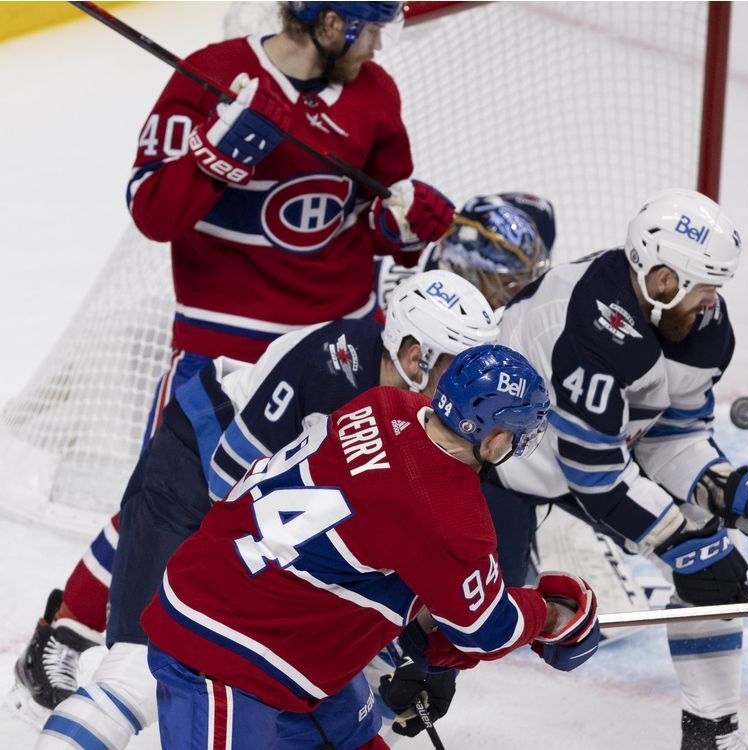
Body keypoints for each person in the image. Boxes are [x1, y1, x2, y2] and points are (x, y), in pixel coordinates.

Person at [14, 1, 457, 714]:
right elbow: (153, 211)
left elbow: (370, 216)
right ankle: (66, 627)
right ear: (329, 20)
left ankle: (327, 658)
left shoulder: (375, 95)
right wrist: (220, 155)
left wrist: (405, 226)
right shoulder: (213, 78)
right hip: (223, 348)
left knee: (323, 504)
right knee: (176, 501)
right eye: (370, 26)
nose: (378, 44)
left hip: (338, 350)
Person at [32, 271, 500, 750]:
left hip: (273, 512)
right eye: (456, 367)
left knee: (351, 694)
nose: (471, 389)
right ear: (412, 355)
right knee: (138, 666)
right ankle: (59, 634)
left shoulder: (436, 425)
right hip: (199, 458)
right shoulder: (325, 366)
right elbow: (230, 489)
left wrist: (421, 656)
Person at [482, 188, 748, 750]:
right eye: (704, 288)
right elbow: (594, 474)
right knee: (462, 615)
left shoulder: (696, 328)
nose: (712, 303)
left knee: (717, 571)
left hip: (575, 456)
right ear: (662, 280)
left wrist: (746, 499)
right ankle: (355, 714)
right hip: (492, 463)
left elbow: (671, 437)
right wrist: (676, 541)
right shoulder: (593, 326)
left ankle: (710, 734)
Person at [141, 344, 600, 750]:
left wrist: (427, 651)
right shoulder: (447, 514)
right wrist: (554, 615)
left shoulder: (386, 404)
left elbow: (386, 546)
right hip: (221, 650)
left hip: (276, 626)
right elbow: (487, 628)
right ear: (496, 440)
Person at [374, 191, 556, 311]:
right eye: (509, 282)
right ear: (470, 274)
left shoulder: (539, 218)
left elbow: (542, 211)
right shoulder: (427, 311)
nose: (520, 289)